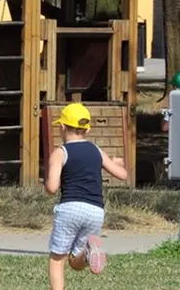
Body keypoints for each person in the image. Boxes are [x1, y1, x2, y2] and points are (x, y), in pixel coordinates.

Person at [45, 102, 128, 290]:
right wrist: (116, 162)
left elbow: (52, 187)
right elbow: (122, 175)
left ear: (62, 127)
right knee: (75, 261)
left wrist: (46, 180)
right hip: (96, 211)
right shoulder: (96, 150)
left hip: (70, 208)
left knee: (57, 259)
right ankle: (90, 252)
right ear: (87, 130)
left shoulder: (61, 152)